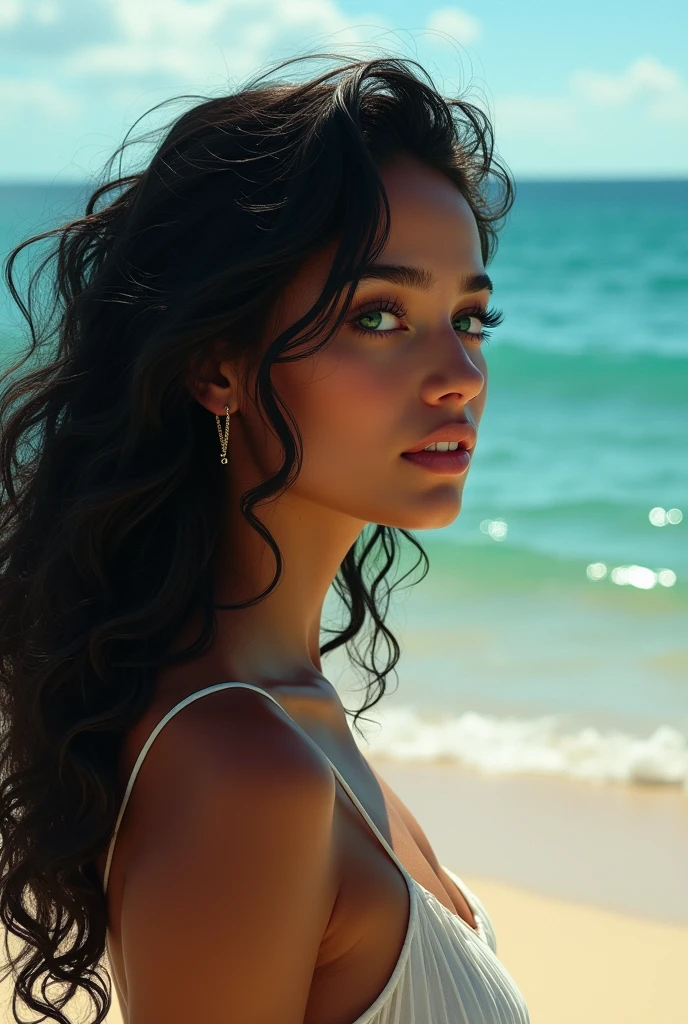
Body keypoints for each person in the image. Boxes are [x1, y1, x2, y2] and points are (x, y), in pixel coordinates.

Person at [0, 53, 527, 1023]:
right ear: (218, 366)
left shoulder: (291, 710)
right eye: (379, 314)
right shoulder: (244, 770)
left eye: (469, 316)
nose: (459, 372)